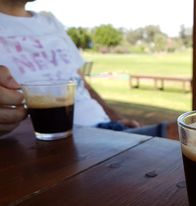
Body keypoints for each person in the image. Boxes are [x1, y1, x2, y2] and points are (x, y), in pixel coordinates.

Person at [0, 0, 167, 137]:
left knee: (186, 133)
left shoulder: (50, 21)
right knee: (181, 134)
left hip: (108, 131)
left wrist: (115, 118)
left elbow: (81, 83)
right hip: (52, 140)